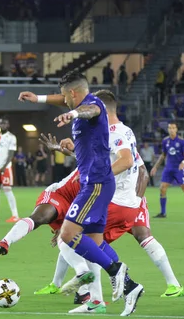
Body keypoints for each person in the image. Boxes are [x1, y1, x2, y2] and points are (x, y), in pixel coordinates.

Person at [10, 71, 134, 304]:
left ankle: (114, 271)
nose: (63, 100)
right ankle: (103, 298)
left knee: (67, 234)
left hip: (95, 183)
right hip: (96, 181)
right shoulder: (80, 105)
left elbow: (90, 110)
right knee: (94, 241)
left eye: (66, 96)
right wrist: (38, 99)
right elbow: (66, 103)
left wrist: (73, 113)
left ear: (73, 94)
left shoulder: (92, 105)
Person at [150, 122, 184, 218]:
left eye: (173, 128)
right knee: (162, 188)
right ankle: (163, 213)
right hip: (168, 169)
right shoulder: (165, 141)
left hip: (178, 169)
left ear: (176, 129)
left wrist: (183, 163)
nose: (171, 130)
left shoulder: (182, 141)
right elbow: (163, 155)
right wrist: (156, 166)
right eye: (170, 128)